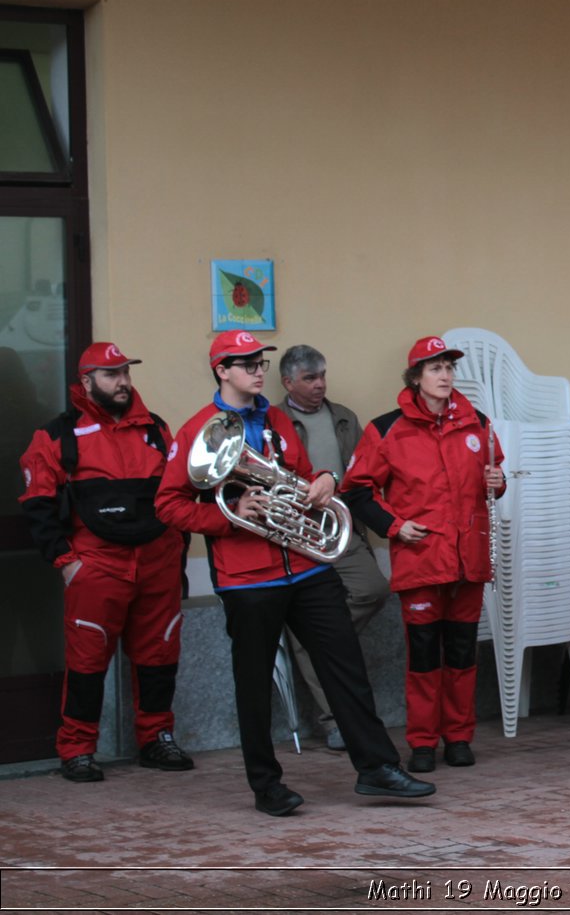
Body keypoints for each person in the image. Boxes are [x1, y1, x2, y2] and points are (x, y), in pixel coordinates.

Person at [156, 330, 434, 815]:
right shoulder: (198, 430)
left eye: (260, 361)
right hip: (248, 579)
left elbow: (302, 475)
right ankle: (267, 787)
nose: (257, 370)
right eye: (245, 363)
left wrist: (325, 479)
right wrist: (228, 514)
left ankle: (378, 769)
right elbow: (168, 505)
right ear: (222, 370)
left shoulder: (278, 418)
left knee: (346, 668)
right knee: (253, 684)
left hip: (306, 567)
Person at [19, 342, 193, 782]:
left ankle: (156, 740)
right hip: (96, 565)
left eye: (125, 373)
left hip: (158, 562)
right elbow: (37, 504)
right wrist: (67, 562)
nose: (122, 382)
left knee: (159, 657)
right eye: (111, 374)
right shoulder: (56, 435)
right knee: (86, 662)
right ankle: (77, 749)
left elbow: (179, 494)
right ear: (86, 382)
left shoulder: (156, 429)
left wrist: (177, 555)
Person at [343, 336, 506, 773]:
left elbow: (494, 478)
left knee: (461, 653)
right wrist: (395, 527)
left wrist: (499, 481)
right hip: (421, 558)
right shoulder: (386, 428)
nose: (445, 376)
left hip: (469, 557)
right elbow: (357, 490)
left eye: (449, 368)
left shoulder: (479, 424)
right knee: (424, 655)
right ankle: (421, 742)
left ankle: (458, 737)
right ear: (415, 377)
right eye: (435, 369)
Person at [276, 345, 390, 752]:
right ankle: (333, 721)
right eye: (309, 378)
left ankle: (323, 635)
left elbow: (364, 472)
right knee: (310, 629)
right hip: (294, 532)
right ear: (289, 382)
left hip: (342, 528)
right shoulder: (274, 422)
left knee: (374, 588)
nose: (319, 384)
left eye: (322, 375)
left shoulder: (344, 417)